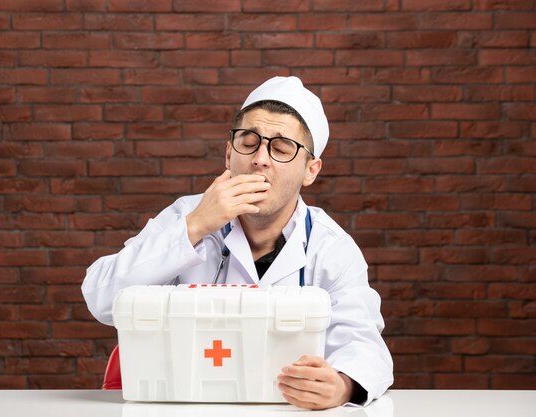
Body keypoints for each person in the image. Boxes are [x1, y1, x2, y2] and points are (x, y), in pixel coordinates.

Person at [81, 76, 393, 410]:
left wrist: (343, 386)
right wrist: (196, 225)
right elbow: (101, 298)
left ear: (310, 170)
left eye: (282, 148)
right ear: (229, 153)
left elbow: (366, 346)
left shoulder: (331, 247)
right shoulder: (187, 215)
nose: (260, 159)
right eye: (249, 142)